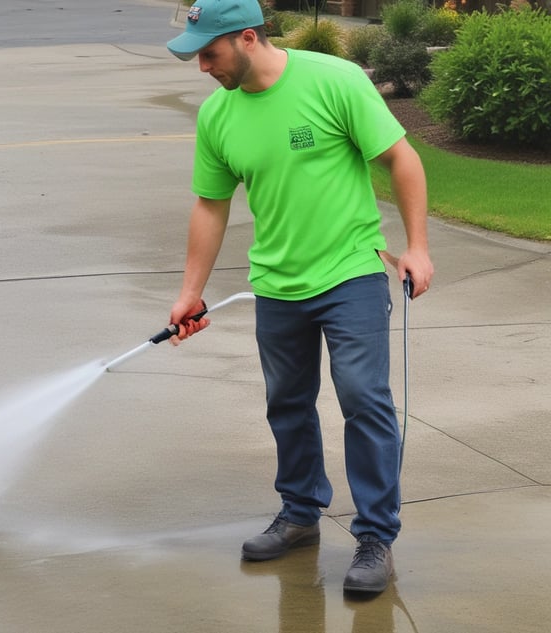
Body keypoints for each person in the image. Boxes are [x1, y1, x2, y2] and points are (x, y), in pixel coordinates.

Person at [165, 0, 434, 594]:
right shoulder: (217, 116)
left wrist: (416, 245)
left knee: (364, 399)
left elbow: (400, 158)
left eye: (209, 53)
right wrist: (191, 293)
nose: (202, 66)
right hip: (277, 284)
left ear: (248, 38)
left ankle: (374, 537)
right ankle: (300, 513)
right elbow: (211, 205)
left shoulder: (334, 81)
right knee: (287, 402)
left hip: (351, 273)